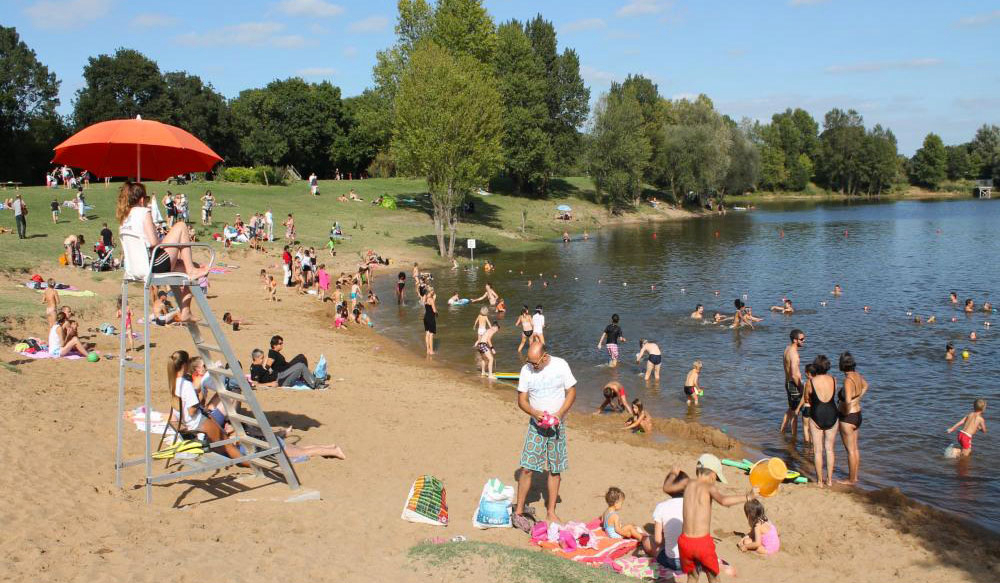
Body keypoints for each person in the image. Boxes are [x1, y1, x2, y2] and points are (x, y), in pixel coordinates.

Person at [117, 182, 209, 321]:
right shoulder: (144, 212)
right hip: (153, 266)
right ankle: (191, 270)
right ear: (142, 199)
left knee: (192, 266)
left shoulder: (124, 218)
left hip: (136, 269)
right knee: (181, 226)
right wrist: (169, 244)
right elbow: (154, 242)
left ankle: (186, 311)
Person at [513, 343, 577, 528]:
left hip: (557, 426)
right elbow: (521, 400)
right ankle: (518, 511)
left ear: (545, 356)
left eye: (535, 363)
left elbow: (572, 391)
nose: (532, 366)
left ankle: (551, 512)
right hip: (536, 426)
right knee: (527, 467)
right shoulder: (526, 370)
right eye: (530, 362)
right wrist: (534, 413)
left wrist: (559, 414)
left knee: (555, 469)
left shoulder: (560, 365)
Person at [679, 454, 754, 582]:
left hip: (684, 542)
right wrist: (747, 497)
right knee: (713, 577)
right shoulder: (709, 486)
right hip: (702, 543)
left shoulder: (688, 485)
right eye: (716, 478)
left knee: (692, 576)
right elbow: (724, 501)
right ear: (713, 474)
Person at [166, 350, 244, 461]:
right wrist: (199, 402)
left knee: (222, 394)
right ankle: (231, 426)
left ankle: (229, 424)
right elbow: (192, 411)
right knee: (233, 395)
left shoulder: (174, 382)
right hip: (199, 425)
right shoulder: (187, 384)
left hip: (190, 423)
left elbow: (177, 413)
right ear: (184, 365)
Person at [803, 355, 839, 486]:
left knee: (818, 450)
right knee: (829, 449)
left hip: (817, 414)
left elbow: (807, 399)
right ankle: (829, 480)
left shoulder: (810, 382)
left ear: (815, 367)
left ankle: (819, 481)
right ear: (828, 366)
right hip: (832, 413)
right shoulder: (834, 380)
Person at [837, 352, 868, 484]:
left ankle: (851, 479)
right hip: (858, 415)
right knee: (855, 449)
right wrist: (858, 399)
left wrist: (844, 412)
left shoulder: (848, 380)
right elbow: (866, 386)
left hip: (848, 417)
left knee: (850, 450)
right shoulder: (858, 375)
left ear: (841, 365)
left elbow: (848, 401)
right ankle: (855, 477)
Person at [652, 473, 686, 571]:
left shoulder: (661, 507)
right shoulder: (694, 506)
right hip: (694, 560)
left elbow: (658, 540)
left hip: (674, 561)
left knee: (648, 541)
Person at [258, 339, 324, 388]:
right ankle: (307, 378)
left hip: (286, 367)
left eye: (282, 343)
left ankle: (304, 376)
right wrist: (265, 368)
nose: (282, 345)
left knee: (301, 357)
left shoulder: (274, 352)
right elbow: (267, 365)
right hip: (285, 371)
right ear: (274, 345)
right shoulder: (272, 353)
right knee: (301, 359)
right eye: (280, 343)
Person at [780, 329, 805, 438]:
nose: (804, 341)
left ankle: (782, 431)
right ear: (795, 340)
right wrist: (801, 388)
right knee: (795, 412)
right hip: (794, 384)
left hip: (788, 382)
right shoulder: (794, 354)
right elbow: (794, 374)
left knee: (791, 409)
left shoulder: (787, 349)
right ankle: (794, 439)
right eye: (802, 339)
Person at [423, 287, 437, 355]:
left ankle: (428, 350)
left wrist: (434, 299)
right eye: (433, 291)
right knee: (431, 334)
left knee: (427, 333)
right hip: (431, 318)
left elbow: (428, 307)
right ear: (430, 292)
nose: (434, 292)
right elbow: (434, 310)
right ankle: (431, 351)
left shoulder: (425, 298)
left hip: (425, 317)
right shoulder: (431, 299)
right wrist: (437, 313)